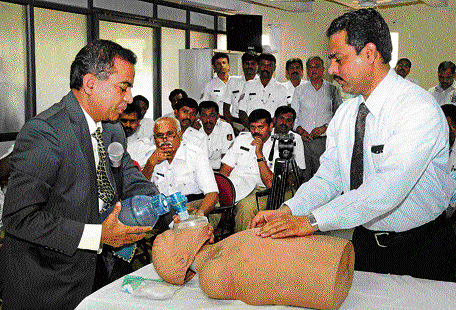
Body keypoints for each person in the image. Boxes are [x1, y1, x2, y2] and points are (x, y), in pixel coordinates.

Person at [250, 9, 456, 282]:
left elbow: (384, 191)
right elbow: (328, 178)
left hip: (421, 248)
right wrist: (287, 211)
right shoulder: (347, 114)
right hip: (365, 244)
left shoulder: (417, 109)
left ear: (369, 54)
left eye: (338, 59)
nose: (331, 69)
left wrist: (310, 221)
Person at [0, 40, 170, 309]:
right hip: (50, 283)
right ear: (90, 83)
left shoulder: (112, 130)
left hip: (101, 272)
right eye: (123, 88)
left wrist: (174, 216)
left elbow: (131, 180)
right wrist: (98, 235)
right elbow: (18, 217)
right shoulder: (46, 133)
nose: (128, 99)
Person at [152, 225, 355, 310]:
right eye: (175, 235)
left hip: (332, 258)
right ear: (180, 261)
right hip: (326, 279)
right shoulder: (211, 276)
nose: (180, 227)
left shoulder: (220, 253)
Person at [220, 109, 303, 232]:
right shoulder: (242, 139)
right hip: (236, 185)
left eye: (260, 127)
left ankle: (243, 246)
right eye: (252, 127)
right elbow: (225, 171)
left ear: (270, 126)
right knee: (211, 202)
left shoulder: (283, 144)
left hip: (263, 190)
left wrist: (259, 154)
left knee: (245, 207)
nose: (256, 131)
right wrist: (222, 191)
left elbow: (271, 184)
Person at [141, 117, 219, 226]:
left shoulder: (195, 154)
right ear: (154, 139)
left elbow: (212, 194)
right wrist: (150, 164)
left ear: (180, 135)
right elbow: (141, 189)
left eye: (169, 134)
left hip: (192, 205)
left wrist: (198, 217)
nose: (165, 140)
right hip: (162, 208)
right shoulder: (151, 156)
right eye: (160, 136)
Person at [291, 56, 342, 180]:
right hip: (303, 142)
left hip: (324, 142)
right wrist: (301, 131)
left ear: (323, 69)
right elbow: (293, 116)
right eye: (310, 67)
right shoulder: (299, 90)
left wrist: (325, 127)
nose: (313, 69)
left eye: (317, 66)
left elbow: (338, 115)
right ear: (307, 70)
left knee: (323, 178)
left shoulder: (332, 89)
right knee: (304, 178)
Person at [238, 53, 287, 129]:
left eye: (269, 65)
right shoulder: (248, 85)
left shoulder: (281, 88)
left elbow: (281, 114)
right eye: (263, 65)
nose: (265, 68)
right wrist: (252, 128)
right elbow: (242, 111)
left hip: (272, 132)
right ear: (258, 66)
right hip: (251, 131)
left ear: (274, 68)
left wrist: (266, 129)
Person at [223, 51, 258, 131]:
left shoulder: (261, 83)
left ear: (257, 65)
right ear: (242, 65)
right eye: (247, 64)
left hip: (256, 126)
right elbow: (226, 108)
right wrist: (231, 127)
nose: (249, 66)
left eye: (252, 64)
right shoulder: (233, 81)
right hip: (236, 124)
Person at [198, 100, 234, 170]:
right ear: (199, 117)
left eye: (212, 116)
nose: (208, 120)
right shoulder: (195, 129)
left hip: (219, 171)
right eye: (204, 116)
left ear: (217, 116)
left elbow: (226, 158)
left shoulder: (225, 128)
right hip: (199, 170)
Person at [272, 105, 306, 178]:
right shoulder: (266, 134)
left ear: (292, 124)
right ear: (275, 120)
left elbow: (301, 168)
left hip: (285, 178)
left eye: (288, 120)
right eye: (281, 119)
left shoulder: (296, 138)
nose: (284, 122)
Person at [200, 52, 231, 117]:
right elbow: (203, 105)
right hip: (219, 119)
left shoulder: (236, 82)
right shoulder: (210, 85)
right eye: (218, 64)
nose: (222, 65)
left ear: (228, 66)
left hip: (237, 120)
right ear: (214, 68)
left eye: (224, 63)